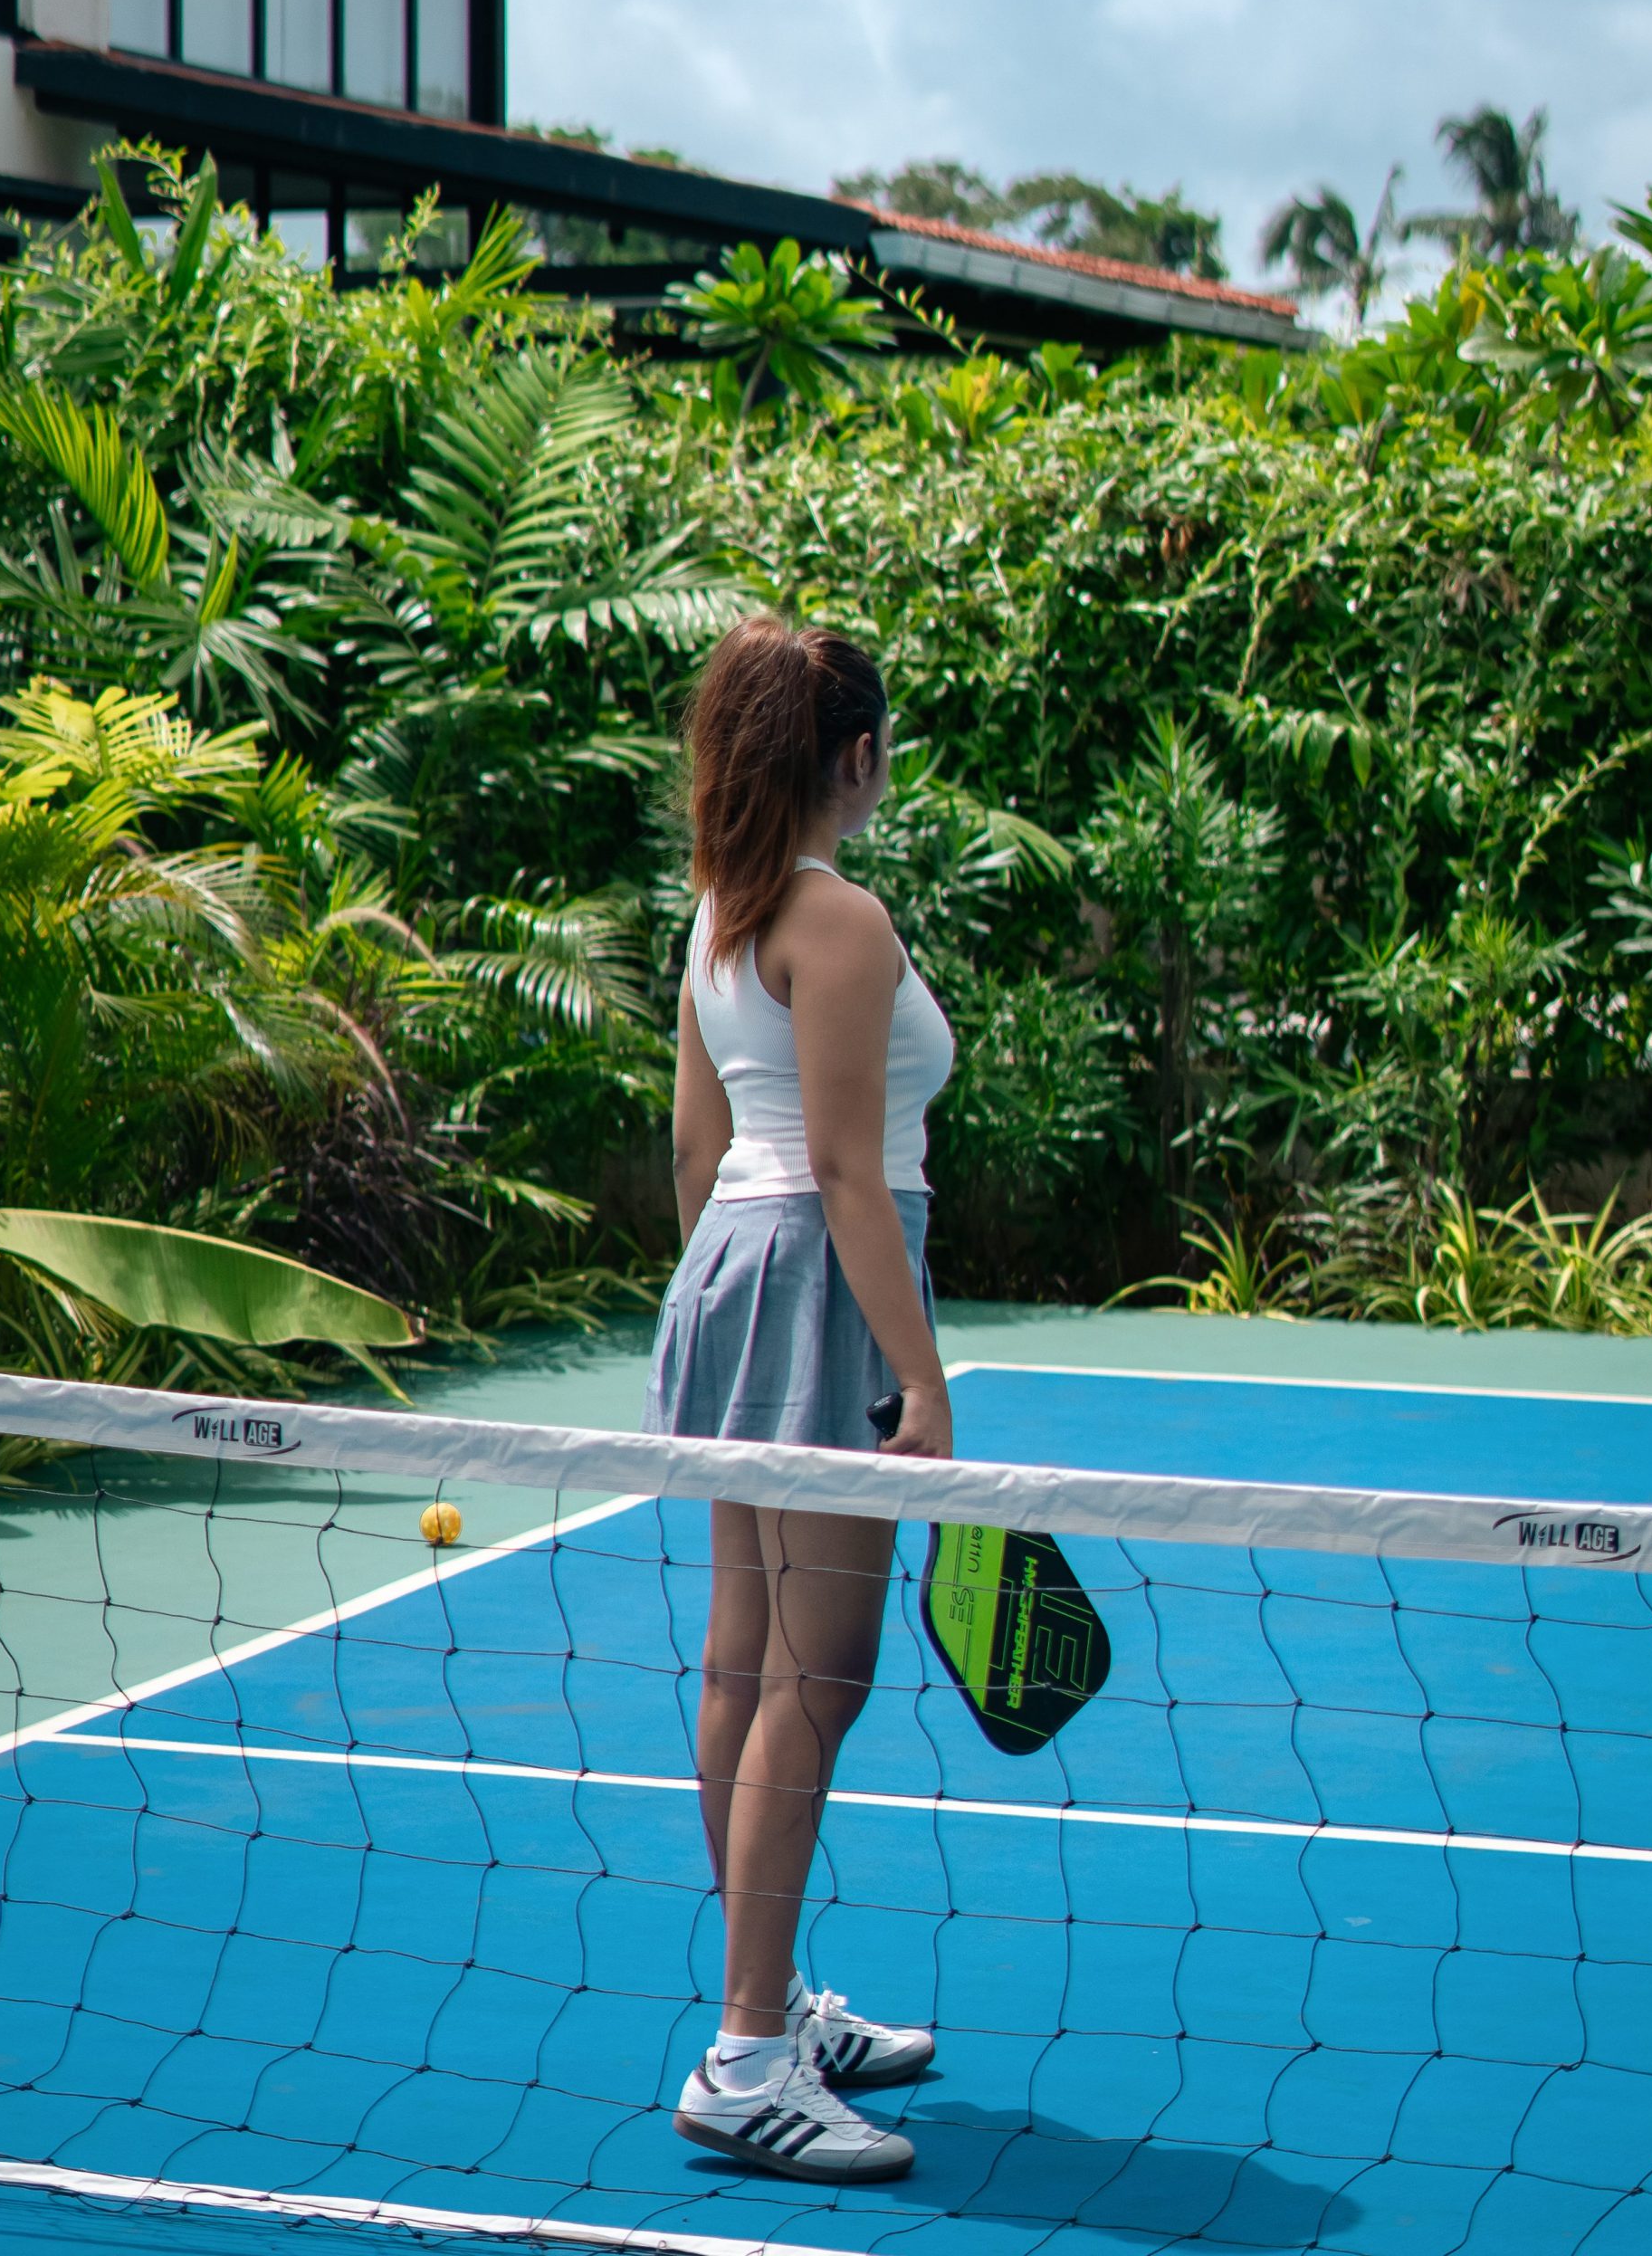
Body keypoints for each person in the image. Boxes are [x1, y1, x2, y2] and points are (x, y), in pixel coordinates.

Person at [645, 617, 954, 2185]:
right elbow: (846, 1173)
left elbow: (701, 1151)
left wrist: (725, 1306)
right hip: (815, 1282)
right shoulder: (841, 924)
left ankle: (768, 2006)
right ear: (856, 756)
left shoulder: (718, 913)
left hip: (728, 1275)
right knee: (814, 1685)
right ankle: (750, 2049)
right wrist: (921, 1378)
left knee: (743, 1662)